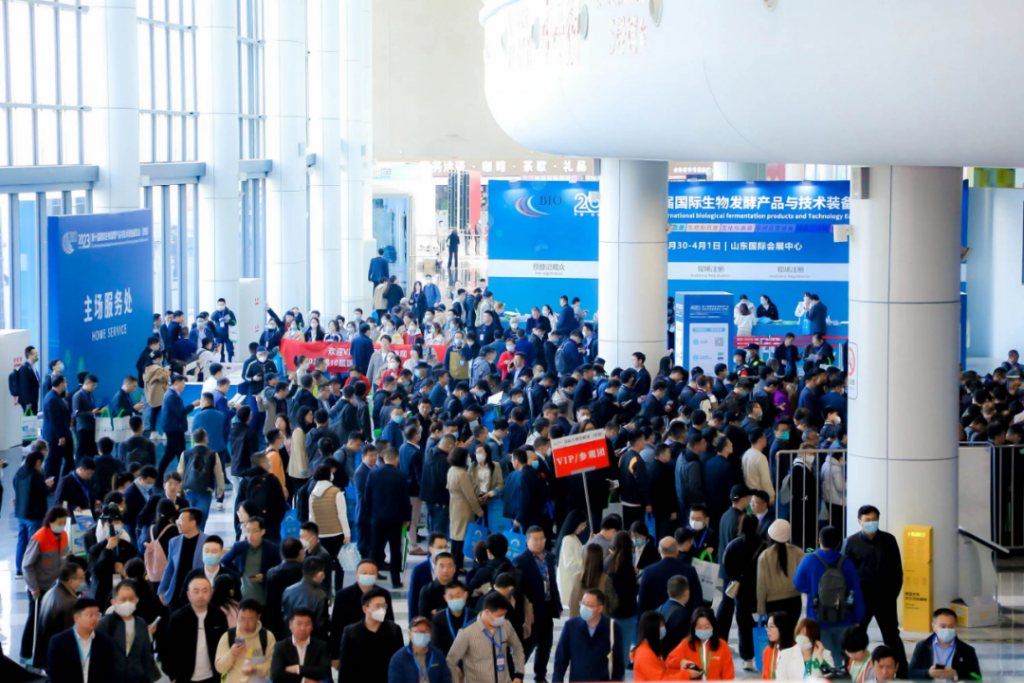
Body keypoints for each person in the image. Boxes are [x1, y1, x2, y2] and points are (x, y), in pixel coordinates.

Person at [842, 505, 907, 675]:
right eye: (867, 520)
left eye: (874, 520)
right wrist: (849, 600)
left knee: (891, 635)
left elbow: (897, 570)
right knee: (856, 635)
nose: (871, 523)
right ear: (859, 521)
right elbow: (844, 574)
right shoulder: (850, 542)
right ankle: (851, 670)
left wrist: (893, 594)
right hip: (861, 599)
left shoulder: (889, 540)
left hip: (885, 598)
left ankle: (901, 671)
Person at [793, 526, 865, 666]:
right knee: (844, 658)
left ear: (820, 540)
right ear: (839, 543)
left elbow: (798, 583)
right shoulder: (847, 563)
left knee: (824, 658)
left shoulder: (810, 560)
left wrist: (813, 590)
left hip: (818, 618)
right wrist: (858, 618)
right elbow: (855, 591)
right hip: (844, 617)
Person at [21, 505, 71, 662]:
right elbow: (27, 565)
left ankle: (47, 653)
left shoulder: (63, 535)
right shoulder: (39, 537)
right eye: (60, 522)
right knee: (34, 621)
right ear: (51, 522)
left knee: (52, 621)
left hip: (56, 587)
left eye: (64, 522)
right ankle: (26, 653)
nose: (62, 525)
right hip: (40, 588)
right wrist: (33, 588)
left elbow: (65, 557)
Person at [446, 592, 526, 683]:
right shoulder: (467, 632)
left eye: (504, 615)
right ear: (487, 612)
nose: (502, 618)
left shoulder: (506, 625)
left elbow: (517, 647)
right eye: (500, 615)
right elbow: (451, 661)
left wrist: (519, 674)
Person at [717, 514, 764, 670]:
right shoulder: (764, 546)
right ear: (757, 526)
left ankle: (747, 657)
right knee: (759, 622)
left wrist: (737, 577)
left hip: (742, 590)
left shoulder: (733, 545)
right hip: (759, 590)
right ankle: (762, 653)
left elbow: (726, 565)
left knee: (743, 623)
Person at [163, 575, 230, 683]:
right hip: (184, 677)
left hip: (214, 676)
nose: (200, 595)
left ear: (211, 593)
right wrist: (173, 676)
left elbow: (225, 647)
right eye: (196, 591)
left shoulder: (219, 616)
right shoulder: (177, 618)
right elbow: (168, 649)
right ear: (188, 594)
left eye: (205, 591)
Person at [362, 447, 412, 588]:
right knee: (395, 550)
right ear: (397, 459)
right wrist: (407, 518)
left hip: (377, 518)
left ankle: (371, 578)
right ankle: (396, 581)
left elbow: (367, 496)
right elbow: (405, 500)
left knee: (375, 549)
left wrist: (370, 513)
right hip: (395, 519)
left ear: (384, 458)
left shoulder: (373, 473)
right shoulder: (401, 475)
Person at [552, 588, 625, 682]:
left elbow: (618, 663)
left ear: (600, 608)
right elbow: (560, 660)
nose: (584, 607)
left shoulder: (613, 628)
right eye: (583, 603)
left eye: (589, 605)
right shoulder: (571, 626)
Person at [331, 559, 396, 663]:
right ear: (357, 574)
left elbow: (390, 621)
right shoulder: (342, 596)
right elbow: (336, 627)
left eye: (371, 573)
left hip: (378, 647)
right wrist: (335, 655)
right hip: (351, 648)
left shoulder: (384, 594)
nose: (368, 575)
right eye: (364, 573)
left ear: (377, 575)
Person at [339, 587, 406, 683]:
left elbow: (400, 662)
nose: (382, 609)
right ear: (365, 609)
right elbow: (344, 668)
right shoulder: (351, 632)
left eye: (384, 606)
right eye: (377, 606)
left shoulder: (394, 630)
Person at [97, 581, 158, 683]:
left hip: (137, 678)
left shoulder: (141, 623)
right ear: (113, 602)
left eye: (131, 599)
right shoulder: (104, 624)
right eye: (123, 599)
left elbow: (146, 655)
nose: (128, 603)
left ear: (137, 600)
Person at [47, 597, 117, 683]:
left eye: (97, 615)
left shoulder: (105, 642)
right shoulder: (58, 642)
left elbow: (109, 674)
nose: (94, 619)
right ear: (77, 618)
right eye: (89, 615)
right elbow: (55, 675)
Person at [32, 560, 83, 669]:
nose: (83, 581)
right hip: (59, 661)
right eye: (81, 578)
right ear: (71, 582)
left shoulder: (50, 592)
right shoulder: (70, 603)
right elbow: (70, 638)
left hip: (45, 655)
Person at [213, 597, 277, 683]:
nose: (245, 624)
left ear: (258, 617)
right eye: (242, 619)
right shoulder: (229, 636)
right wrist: (231, 654)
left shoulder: (267, 636)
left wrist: (255, 669)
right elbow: (219, 668)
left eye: (250, 619)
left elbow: (273, 666)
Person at [907, 607, 981, 681]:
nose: (947, 630)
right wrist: (928, 673)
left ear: (956, 626)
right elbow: (910, 673)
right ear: (934, 626)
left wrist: (956, 674)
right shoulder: (922, 646)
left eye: (951, 626)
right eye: (943, 626)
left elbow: (977, 677)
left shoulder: (967, 650)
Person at [87, 505, 139, 606]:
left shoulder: (130, 548)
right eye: (110, 524)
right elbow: (94, 572)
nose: (114, 527)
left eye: (117, 523)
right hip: (103, 596)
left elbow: (138, 571)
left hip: (126, 596)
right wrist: (107, 550)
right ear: (103, 527)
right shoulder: (95, 550)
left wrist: (125, 571)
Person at [665, 607, 736, 680]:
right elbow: (668, 663)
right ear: (694, 628)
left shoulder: (722, 645)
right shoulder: (686, 644)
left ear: (713, 627)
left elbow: (728, 676)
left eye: (707, 627)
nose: (703, 630)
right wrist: (680, 662)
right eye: (699, 627)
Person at [158, 507, 208, 609]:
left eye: (181, 520)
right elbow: (170, 568)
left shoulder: (207, 541)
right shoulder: (174, 542)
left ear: (193, 523)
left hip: (197, 594)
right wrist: (162, 589)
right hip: (176, 593)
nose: (177, 523)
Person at [14, 449, 53, 579]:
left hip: (21, 512)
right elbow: (42, 492)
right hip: (34, 514)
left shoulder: (20, 472)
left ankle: (20, 569)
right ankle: (32, 569)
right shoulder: (36, 475)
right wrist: (47, 486)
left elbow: (16, 486)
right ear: (37, 462)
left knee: (22, 540)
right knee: (34, 542)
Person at [639, 537, 703, 614]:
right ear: (677, 551)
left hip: (656, 620)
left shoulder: (648, 571)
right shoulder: (690, 570)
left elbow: (642, 602)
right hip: (683, 619)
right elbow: (697, 600)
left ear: (659, 550)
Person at [756, 519, 805, 621]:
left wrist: (761, 608)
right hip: (794, 601)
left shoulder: (765, 556)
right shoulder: (799, 553)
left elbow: (762, 585)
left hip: (773, 603)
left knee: (776, 635)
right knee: (791, 634)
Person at [178, 429, 226, 528]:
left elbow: (180, 473)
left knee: (189, 519)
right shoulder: (213, 454)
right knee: (201, 521)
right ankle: (199, 540)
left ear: (194, 439)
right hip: (205, 490)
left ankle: (190, 541)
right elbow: (219, 474)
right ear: (205, 439)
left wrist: (179, 490)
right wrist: (220, 489)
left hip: (189, 491)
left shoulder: (186, 454)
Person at [447, 446, 485, 571]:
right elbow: (469, 495)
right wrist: (479, 511)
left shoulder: (452, 470)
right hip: (463, 507)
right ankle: (458, 565)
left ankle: (455, 563)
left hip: (454, 504)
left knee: (455, 536)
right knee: (461, 537)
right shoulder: (462, 473)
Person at [159, 374, 200, 481]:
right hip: (174, 429)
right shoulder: (172, 396)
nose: (184, 386)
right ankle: (184, 478)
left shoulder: (172, 394)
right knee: (182, 454)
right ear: (176, 383)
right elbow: (180, 412)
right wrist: (193, 405)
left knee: (170, 454)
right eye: (183, 383)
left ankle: (159, 475)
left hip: (173, 428)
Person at [264, 537, 306, 638]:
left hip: (276, 621)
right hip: (299, 621)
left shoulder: (271, 573)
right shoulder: (304, 572)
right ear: (300, 552)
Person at [281, 556, 330, 641]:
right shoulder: (320, 596)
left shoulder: (288, 590)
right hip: (311, 643)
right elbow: (321, 626)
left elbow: (284, 617)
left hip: (290, 639)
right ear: (320, 574)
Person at [391, 616, 454, 683]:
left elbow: (446, 679)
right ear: (410, 634)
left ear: (431, 634)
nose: (423, 634)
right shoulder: (398, 658)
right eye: (418, 631)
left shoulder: (438, 655)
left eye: (426, 631)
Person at [568, 544, 619, 618]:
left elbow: (571, 603)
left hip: (576, 623)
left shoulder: (576, 577)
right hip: (598, 624)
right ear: (601, 559)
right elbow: (613, 605)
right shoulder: (605, 579)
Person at [429, 580, 475, 655]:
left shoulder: (474, 616)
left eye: (458, 596)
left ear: (465, 595)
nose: (455, 599)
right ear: (445, 598)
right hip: (446, 662)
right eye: (451, 597)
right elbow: (435, 646)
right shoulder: (438, 619)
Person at [41, 374, 74, 478]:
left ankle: (64, 480)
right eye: (65, 382)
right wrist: (60, 436)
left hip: (63, 434)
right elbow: (54, 420)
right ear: (61, 384)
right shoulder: (52, 399)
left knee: (68, 460)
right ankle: (49, 485)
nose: (66, 384)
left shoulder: (56, 396)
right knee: (53, 463)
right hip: (56, 437)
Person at [629, 610, 672, 681]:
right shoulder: (645, 654)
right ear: (652, 629)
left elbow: (662, 671)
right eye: (661, 626)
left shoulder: (650, 647)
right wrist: (687, 674)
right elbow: (661, 679)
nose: (664, 628)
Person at [658, 575, 692, 654]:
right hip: (674, 660)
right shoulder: (684, 615)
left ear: (668, 592)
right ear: (686, 593)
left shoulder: (660, 609)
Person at [760, 612, 795, 681]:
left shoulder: (796, 651)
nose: (767, 630)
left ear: (782, 628)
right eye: (767, 626)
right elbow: (765, 678)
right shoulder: (767, 651)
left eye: (771, 626)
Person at [17, 346, 41, 415]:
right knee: (29, 422)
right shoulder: (25, 368)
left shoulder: (33, 367)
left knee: (33, 420)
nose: (37, 355)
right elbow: (24, 386)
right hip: (28, 402)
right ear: (30, 355)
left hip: (34, 400)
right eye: (36, 353)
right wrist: (27, 402)